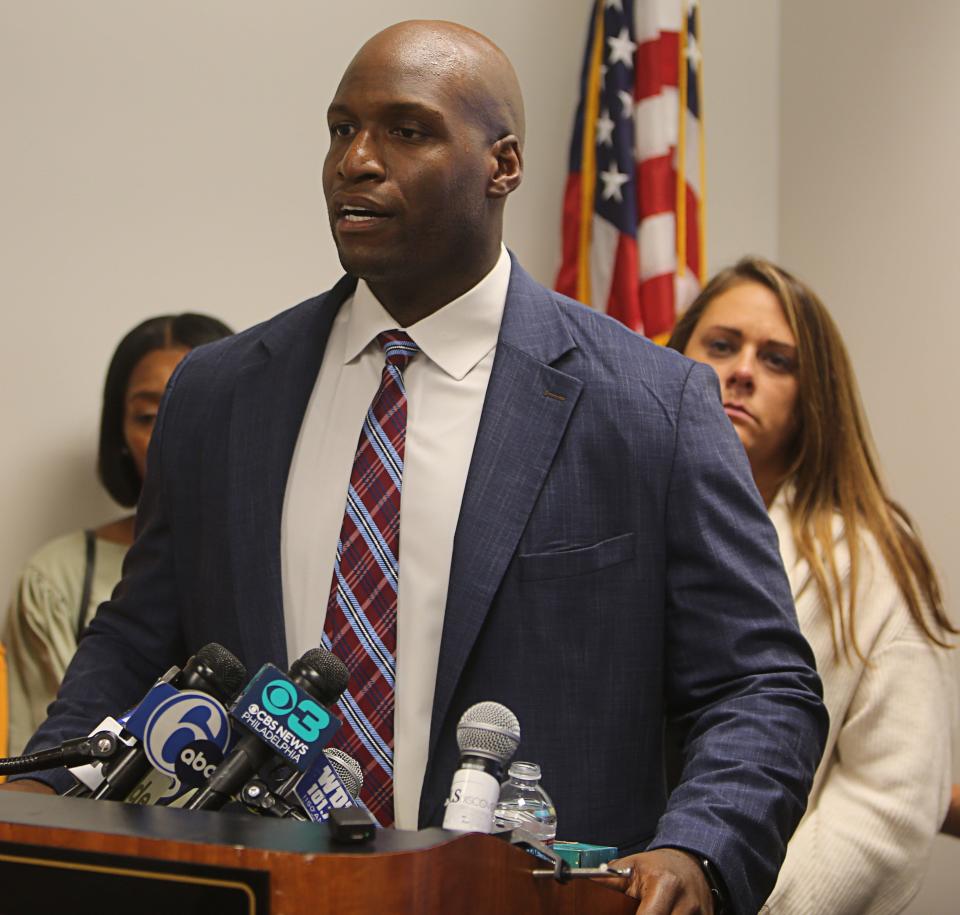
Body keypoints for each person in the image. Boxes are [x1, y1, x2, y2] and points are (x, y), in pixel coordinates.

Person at [3, 23, 828, 915]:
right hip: (270, 891)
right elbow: (139, 638)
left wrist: (700, 848)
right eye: (339, 129)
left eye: (405, 130)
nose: (355, 160)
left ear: (502, 164)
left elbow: (760, 683)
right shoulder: (220, 395)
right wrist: (43, 792)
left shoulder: (650, 406)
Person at [668, 256, 956, 914]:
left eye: (778, 360)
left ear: (812, 398)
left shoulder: (869, 557)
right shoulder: (611, 514)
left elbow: (891, 795)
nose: (742, 370)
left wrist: (744, 898)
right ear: (674, 356)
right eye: (721, 344)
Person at [1, 313, 233, 755]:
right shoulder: (56, 579)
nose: (170, 437)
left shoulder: (277, 558)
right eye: (149, 416)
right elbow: (39, 759)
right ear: (119, 433)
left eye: (194, 415)